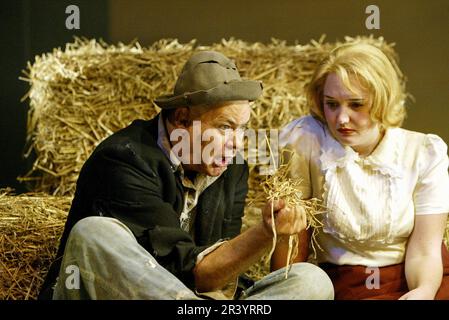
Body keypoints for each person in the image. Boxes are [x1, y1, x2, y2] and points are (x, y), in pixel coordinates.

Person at [38, 50, 334, 300]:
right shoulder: (124, 160)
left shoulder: (232, 167)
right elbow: (187, 271)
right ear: (182, 119)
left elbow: (217, 276)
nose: (238, 142)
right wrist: (265, 231)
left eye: (242, 128)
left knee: (311, 280)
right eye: (225, 127)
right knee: (93, 233)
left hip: (195, 297)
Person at [277, 42, 449, 300]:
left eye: (356, 105)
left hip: (420, 275)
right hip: (346, 283)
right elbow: (293, 242)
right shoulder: (306, 141)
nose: (341, 119)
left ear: (382, 100)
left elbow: (425, 249)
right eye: (331, 104)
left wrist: (423, 291)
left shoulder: (423, 152)